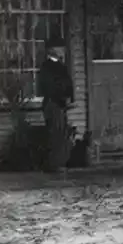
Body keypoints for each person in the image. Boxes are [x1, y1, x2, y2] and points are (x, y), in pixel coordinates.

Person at [38, 38, 73, 173]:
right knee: (55, 133)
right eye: (60, 48)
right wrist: (61, 97)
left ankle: (59, 162)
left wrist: (68, 97)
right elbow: (49, 87)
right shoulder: (47, 67)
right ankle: (54, 164)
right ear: (53, 50)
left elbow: (67, 83)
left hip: (60, 103)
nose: (63, 51)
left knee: (61, 133)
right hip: (53, 103)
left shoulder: (60, 66)